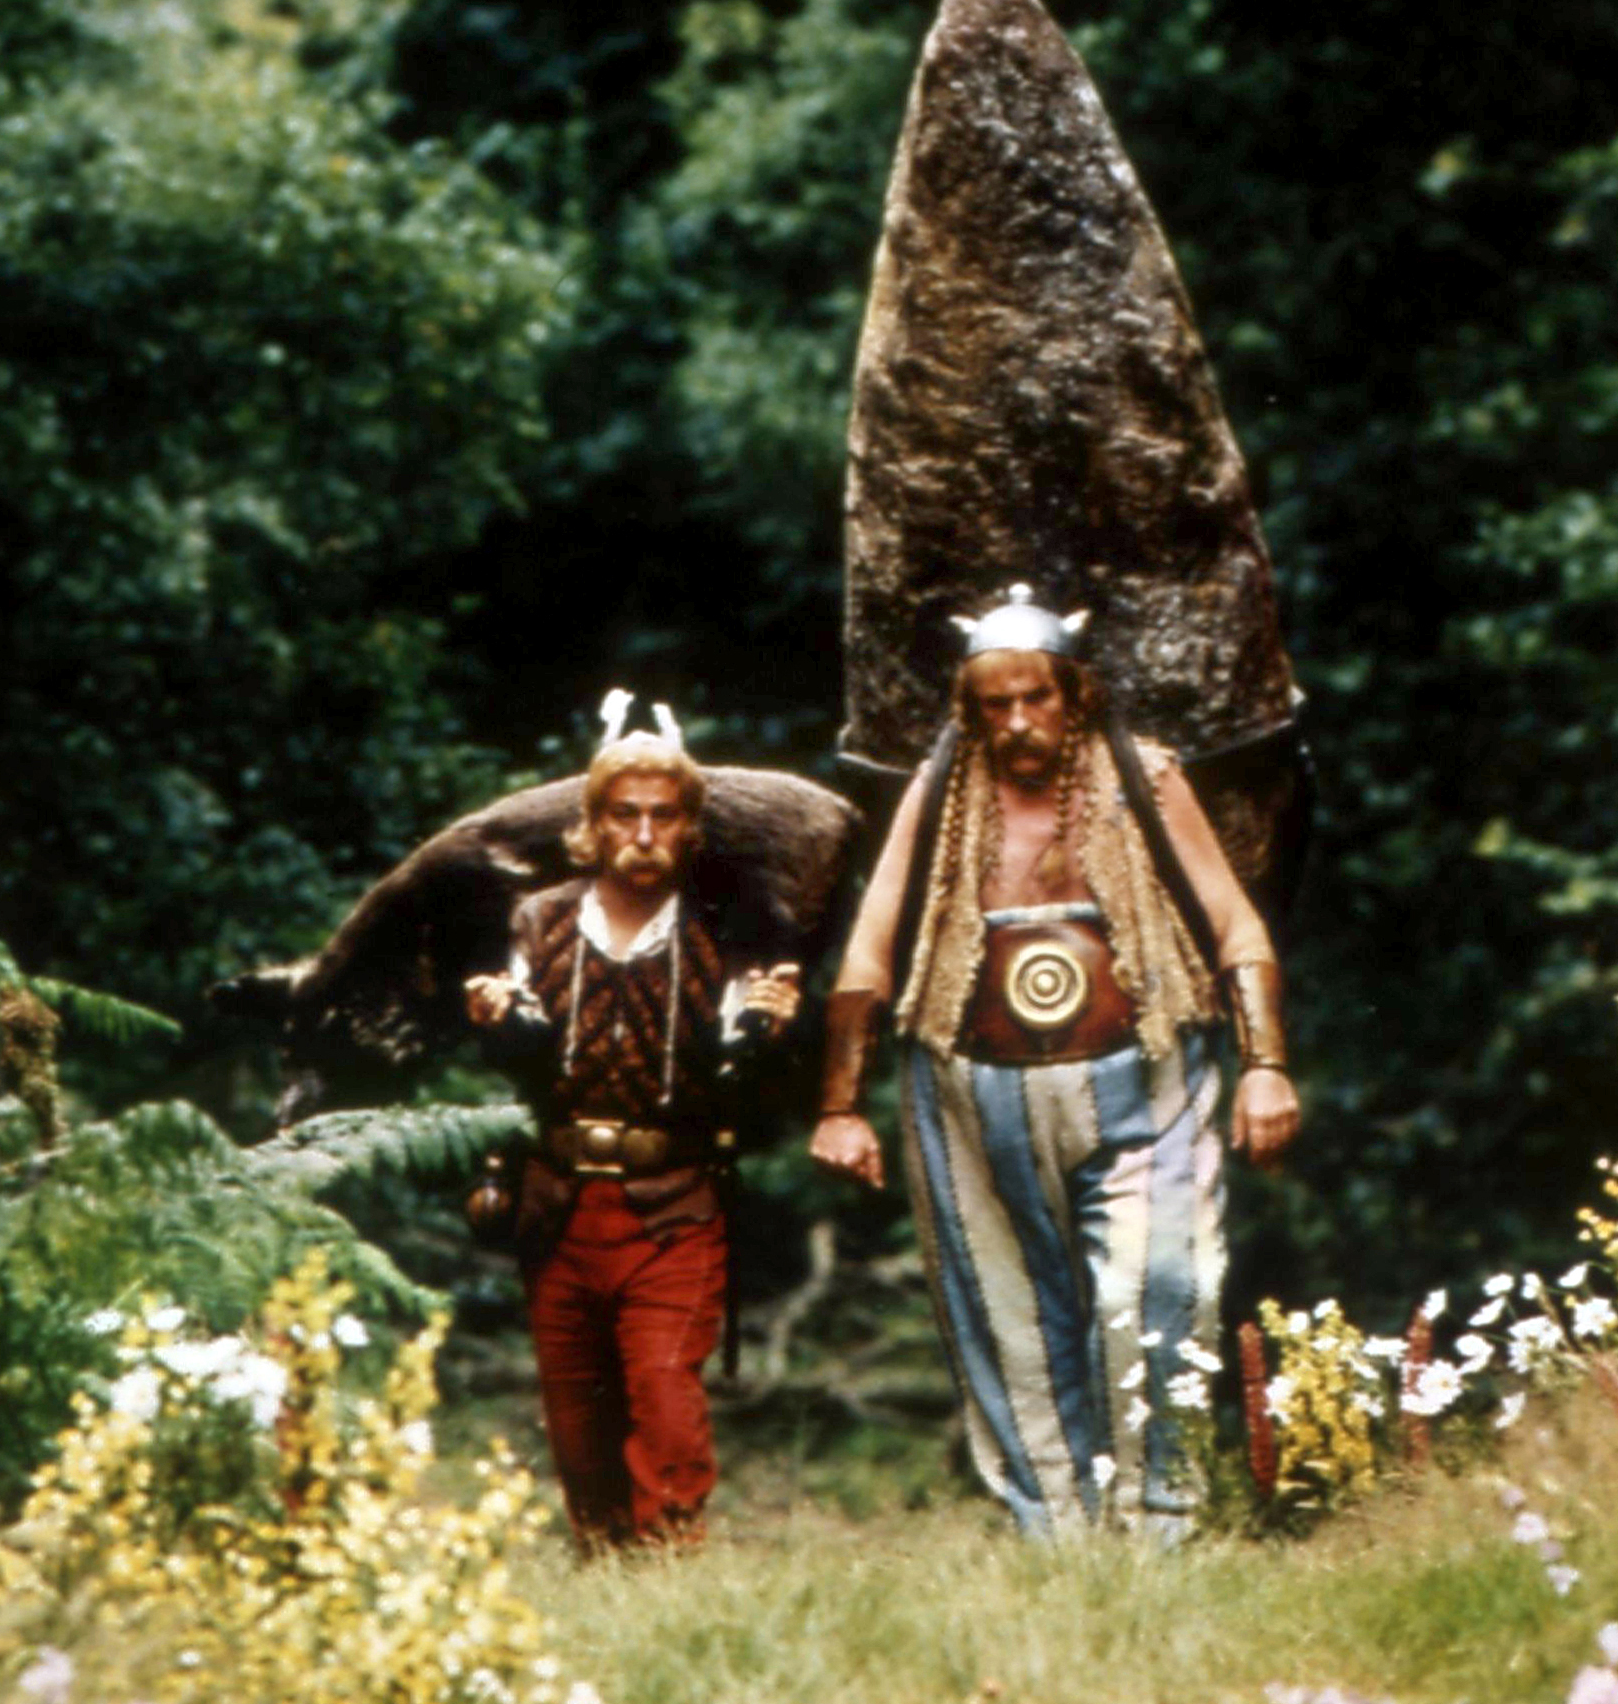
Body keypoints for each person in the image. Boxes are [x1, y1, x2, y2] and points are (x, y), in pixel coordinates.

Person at [811, 586, 1298, 1536]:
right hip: (969, 1094)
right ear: (971, 708)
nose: (1018, 722)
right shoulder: (942, 794)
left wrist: (1266, 1066)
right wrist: (839, 1104)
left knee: (1157, 1287)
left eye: (1035, 697)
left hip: (1144, 1080)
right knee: (1010, 1321)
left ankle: (1162, 1526)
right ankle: (1062, 1541)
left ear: (1073, 691)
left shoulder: (1142, 778)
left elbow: (1237, 926)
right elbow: (870, 952)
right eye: (995, 705)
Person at [466, 698, 800, 1553]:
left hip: (673, 1203)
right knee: (577, 1411)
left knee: (663, 1394)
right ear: (593, 824)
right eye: (625, 814)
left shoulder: (727, 931)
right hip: (557, 1199)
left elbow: (744, 1079)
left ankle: (671, 1566)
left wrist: (764, 1035)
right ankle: (604, 1565)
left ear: (689, 828)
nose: (643, 833)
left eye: (664, 815)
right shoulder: (537, 921)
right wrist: (503, 1026)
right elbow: (518, 1069)